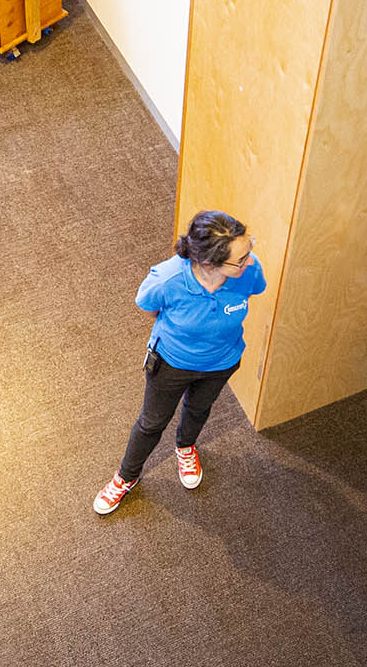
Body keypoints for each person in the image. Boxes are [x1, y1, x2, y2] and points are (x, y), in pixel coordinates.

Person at [95, 210, 266, 516]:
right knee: (151, 423)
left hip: (222, 362)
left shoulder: (249, 273)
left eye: (249, 248)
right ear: (209, 263)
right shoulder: (169, 279)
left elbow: (254, 290)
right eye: (241, 259)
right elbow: (147, 307)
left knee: (199, 408)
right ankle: (126, 477)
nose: (250, 261)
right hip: (172, 364)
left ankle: (185, 447)